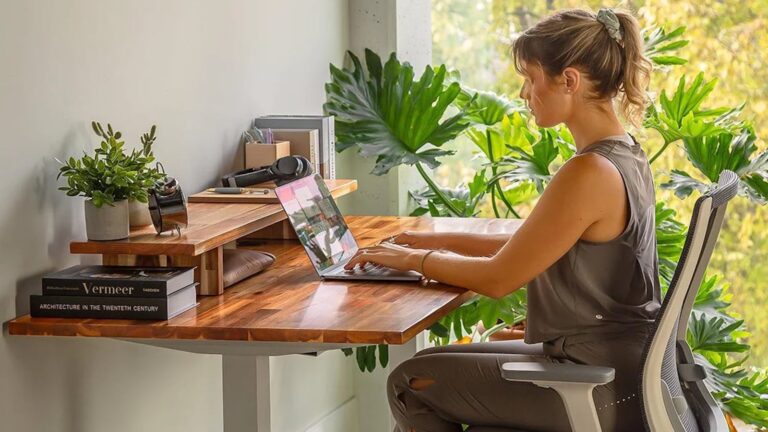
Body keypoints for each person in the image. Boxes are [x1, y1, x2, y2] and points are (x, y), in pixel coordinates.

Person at [343, 7, 659, 432]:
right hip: (619, 371)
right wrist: (414, 243)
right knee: (426, 365)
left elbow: (499, 279)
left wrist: (413, 262)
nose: (525, 93)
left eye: (531, 79)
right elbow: (526, 249)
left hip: (600, 385)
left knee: (410, 382)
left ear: (569, 80)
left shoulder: (590, 173)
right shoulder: (625, 155)